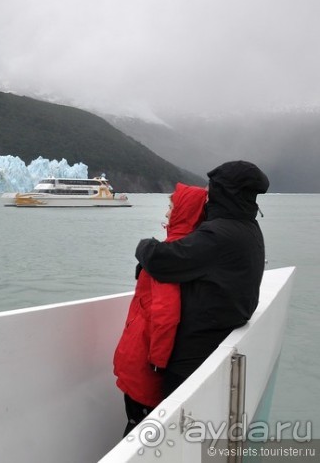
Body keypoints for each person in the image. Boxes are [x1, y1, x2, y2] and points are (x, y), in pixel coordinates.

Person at [135, 160, 269, 398]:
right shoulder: (248, 227)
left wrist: (145, 245)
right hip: (220, 335)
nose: (207, 194)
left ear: (225, 191)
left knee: (172, 419)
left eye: (212, 187)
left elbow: (161, 259)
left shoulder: (218, 234)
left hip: (194, 354)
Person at [114, 183, 208, 436]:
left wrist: (157, 361)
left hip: (145, 356)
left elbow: (166, 314)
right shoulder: (187, 249)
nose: (167, 213)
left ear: (184, 212)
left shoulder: (172, 254)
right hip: (145, 350)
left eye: (171, 207)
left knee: (138, 427)